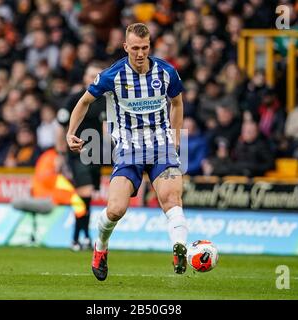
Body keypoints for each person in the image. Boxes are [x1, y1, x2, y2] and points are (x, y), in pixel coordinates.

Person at [66, 23, 188, 281]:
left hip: (161, 148)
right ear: (125, 47)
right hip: (128, 151)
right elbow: (84, 101)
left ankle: (180, 248)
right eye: (135, 48)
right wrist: (70, 132)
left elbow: (177, 103)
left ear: (150, 46)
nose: (140, 53)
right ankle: (100, 246)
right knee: (115, 210)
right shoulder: (113, 75)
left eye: (145, 48)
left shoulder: (166, 72)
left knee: (171, 198)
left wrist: (175, 141)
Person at [56, 62, 106, 251]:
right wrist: (60, 153)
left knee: (87, 197)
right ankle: (80, 237)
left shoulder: (105, 100)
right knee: (83, 195)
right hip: (78, 153)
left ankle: (80, 238)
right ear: (85, 78)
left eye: (96, 75)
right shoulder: (75, 99)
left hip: (96, 155)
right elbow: (61, 127)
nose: (93, 78)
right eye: (90, 75)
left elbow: (107, 129)